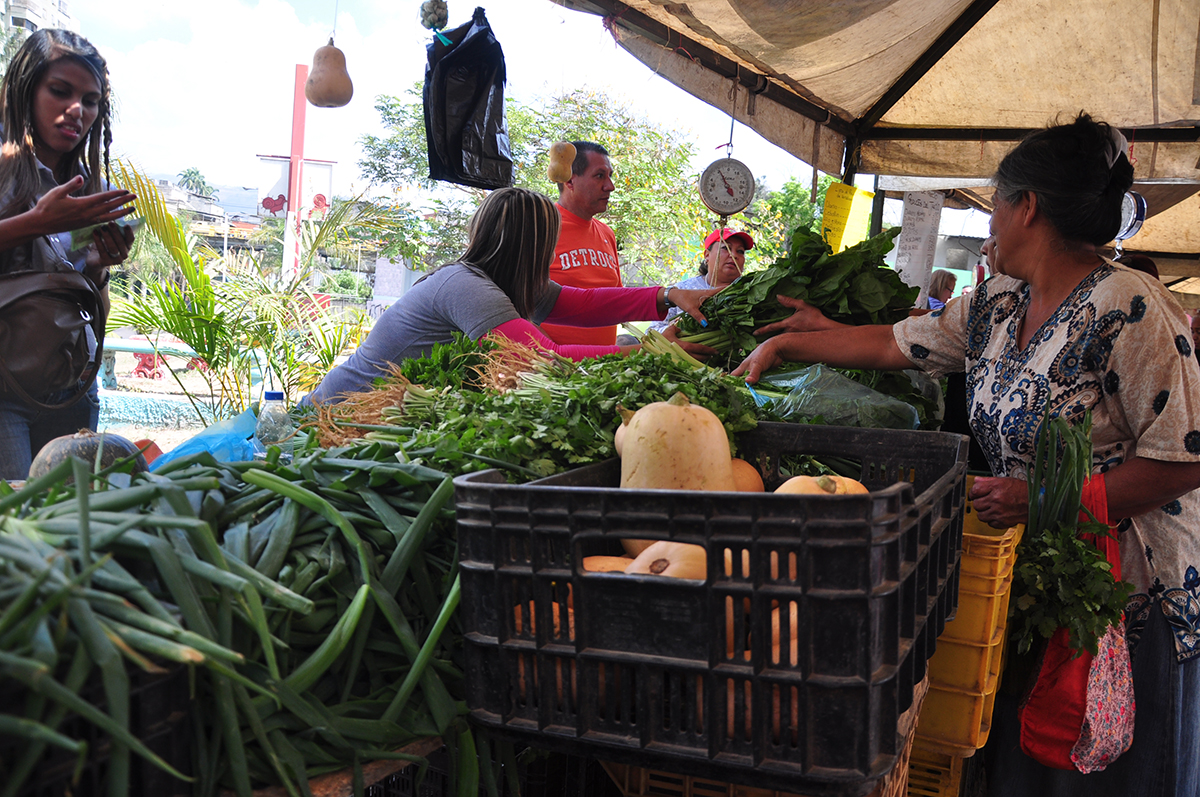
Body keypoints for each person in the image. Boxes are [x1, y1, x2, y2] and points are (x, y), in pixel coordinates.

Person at [734, 113, 1200, 797]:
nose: (989, 223)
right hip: (1033, 576)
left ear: (1028, 207)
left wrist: (1045, 499)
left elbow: (1185, 459)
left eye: (994, 205)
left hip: (1126, 598)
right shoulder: (997, 304)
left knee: (1108, 774)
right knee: (1028, 763)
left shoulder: (1132, 306)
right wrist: (791, 342)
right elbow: (897, 343)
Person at [305, 187, 717, 404]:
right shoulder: (467, 287)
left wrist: (668, 295)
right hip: (340, 413)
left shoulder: (509, 283)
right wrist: (646, 351)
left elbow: (587, 305)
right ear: (533, 246)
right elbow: (544, 358)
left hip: (379, 418)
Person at [0, 29, 137, 481]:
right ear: (25, 89)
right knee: (16, 530)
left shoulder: (87, 186)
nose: (77, 110)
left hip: (74, 388)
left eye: (91, 100)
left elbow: (88, 298)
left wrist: (99, 267)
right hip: (5, 394)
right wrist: (35, 223)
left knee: (66, 527)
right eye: (60, 91)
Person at [541, 141, 623, 347]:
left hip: (601, 372)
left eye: (610, 176)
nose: (610, 186)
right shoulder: (539, 226)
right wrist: (550, 356)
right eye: (599, 176)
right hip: (550, 370)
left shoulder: (607, 233)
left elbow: (618, 300)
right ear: (569, 181)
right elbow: (510, 302)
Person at [648, 228, 753, 333]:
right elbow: (651, 332)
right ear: (707, 255)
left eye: (740, 251)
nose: (734, 255)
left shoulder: (750, 294)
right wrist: (675, 329)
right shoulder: (682, 290)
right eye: (726, 248)